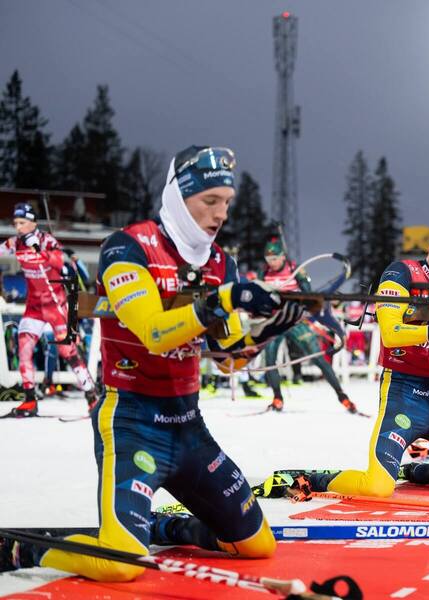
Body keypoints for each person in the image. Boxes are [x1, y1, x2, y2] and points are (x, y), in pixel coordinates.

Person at [0, 146, 307, 581]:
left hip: (189, 428)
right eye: (210, 200)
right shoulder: (128, 246)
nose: (221, 213)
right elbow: (153, 332)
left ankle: (166, 527)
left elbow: (227, 358)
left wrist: (270, 329)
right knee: (121, 566)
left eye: (227, 202)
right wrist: (222, 300)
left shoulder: (222, 263)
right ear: (179, 197)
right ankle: (23, 550)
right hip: (132, 423)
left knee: (257, 546)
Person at [297, 216, 429, 498]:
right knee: (377, 488)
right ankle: (319, 480)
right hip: (404, 395)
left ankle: (422, 472)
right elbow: (391, 335)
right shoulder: (401, 272)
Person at [0, 203, 98, 417]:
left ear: (33, 222)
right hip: (35, 307)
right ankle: (29, 400)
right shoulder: (16, 242)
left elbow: (59, 261)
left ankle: (92, 397)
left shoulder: (46, 240)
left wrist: (39, 249)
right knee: (24, 348)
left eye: (22, 223)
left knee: (68, 351)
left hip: (56, 305)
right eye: (15, 223)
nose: (18, 227)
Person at [259, 237, 357, 414]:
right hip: (274, 323)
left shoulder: (295, 270)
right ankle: (277, 398)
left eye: (274, 258)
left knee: (318, 357)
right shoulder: (264, 273)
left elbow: (309, 294)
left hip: (295, 321)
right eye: (268, 259)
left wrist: (301, 303)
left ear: (283, 257)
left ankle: (343, 397)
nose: (272, 263)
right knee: (270, 359)